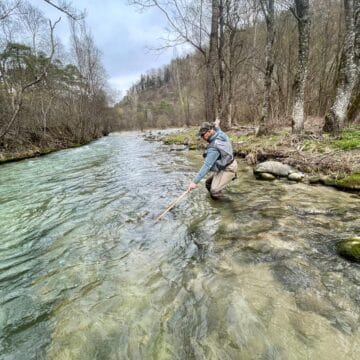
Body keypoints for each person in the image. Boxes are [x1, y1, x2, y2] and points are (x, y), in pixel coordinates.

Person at [187, 118, 238, 199]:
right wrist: (217, 124)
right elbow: (218, 129)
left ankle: (227, 208)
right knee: (208, 183)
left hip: (228, 168)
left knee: (214, 191)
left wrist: (194, 182)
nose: (202, 137)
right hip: (228, 164)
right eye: (201, 135)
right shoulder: (219, 134)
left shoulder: (213, 147)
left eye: (203, 134)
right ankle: (217, 196)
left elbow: (207, 166)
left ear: (210, 131)